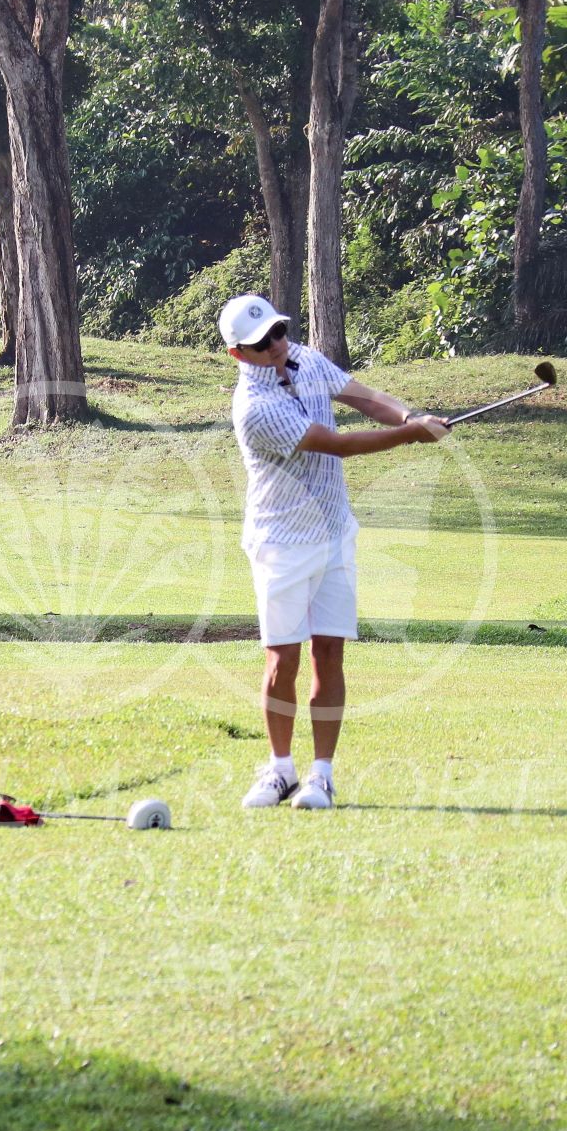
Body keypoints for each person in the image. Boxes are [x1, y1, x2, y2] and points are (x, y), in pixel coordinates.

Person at [218, 293, 450, 810]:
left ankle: (320, 775)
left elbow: (362, 397)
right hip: (280, 543)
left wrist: (410, 413)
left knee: (330, 652)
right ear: (239, 354)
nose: (276, 345)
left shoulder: (304, 357)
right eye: (261, 343)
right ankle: (280, 769)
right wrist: (410, 435)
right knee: (284, 658)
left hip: (333, 536)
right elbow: (336, 443)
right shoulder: (254, 409)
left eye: (278, 331)